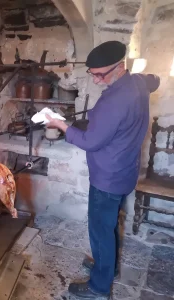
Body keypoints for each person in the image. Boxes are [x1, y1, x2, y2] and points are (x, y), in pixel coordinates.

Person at [46, 40, 160, 299]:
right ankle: (109, 269)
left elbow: (90, 141)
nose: (96, 81)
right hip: (124, 171)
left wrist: (60, 124)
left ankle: (98, 287)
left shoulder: (116, 100)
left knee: (100, 229)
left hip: (107, 178)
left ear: (120, 67)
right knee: (109, 226)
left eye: (100, 75)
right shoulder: (139, 82)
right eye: (92, 74)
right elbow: (155, 80)